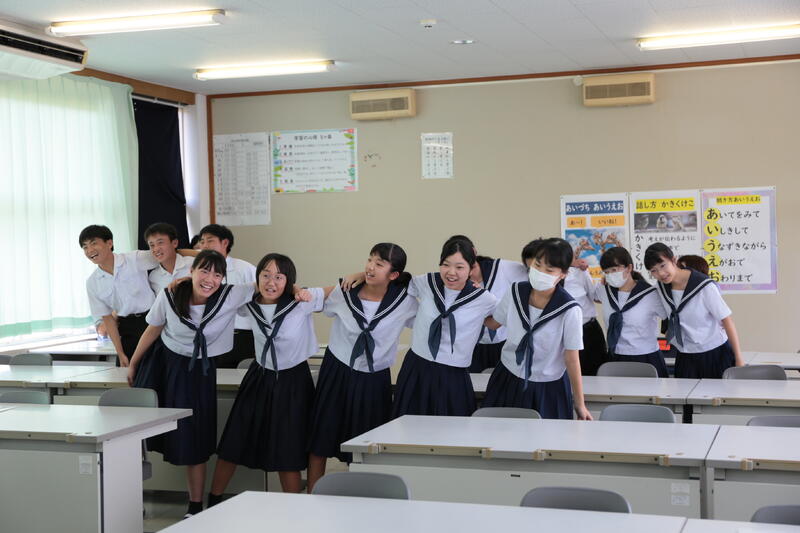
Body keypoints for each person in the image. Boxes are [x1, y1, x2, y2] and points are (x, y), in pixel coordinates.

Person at [127, 250, 255, 518]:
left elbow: (267, 284)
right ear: (191, 271)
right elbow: (153, 328)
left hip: (201, 371)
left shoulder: (230, 295)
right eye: (204, 271)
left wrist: (297, 289)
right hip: (167, 366)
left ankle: (195, 505)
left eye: (217, 274)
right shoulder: (170, 294)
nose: (210, 279)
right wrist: (133, 363)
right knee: (154, 431)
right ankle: (131, 500)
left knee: (196, 435)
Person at [210, 253, 323, 501]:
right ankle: (212, 500)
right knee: (234, 440)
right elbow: (217, 291)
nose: (271, 282)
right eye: (266, 275)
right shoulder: (249, 304)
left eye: (279, 277)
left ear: (289, 280)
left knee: (287, 447)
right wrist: (182, 282)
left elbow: (336, 291)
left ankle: (295, 509)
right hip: (260, 377)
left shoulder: (301, 302)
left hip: (293, 380)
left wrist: (297, 289)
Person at [306, 243, 417, 492]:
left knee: (366, 442)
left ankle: (360, 496)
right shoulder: (345, 291)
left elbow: (428, 315)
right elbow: (312, 297)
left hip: (374, 377)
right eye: (369, 260)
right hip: (337, 370)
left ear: (394, 274)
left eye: (379, 264)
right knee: (321, 435)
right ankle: (312, 496)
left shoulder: (405, 302)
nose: (370, 267)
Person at [482, 238, 591, 420]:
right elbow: (494, 323)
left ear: (563, 274)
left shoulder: (570, 310)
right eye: (538, 265)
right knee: (499, 431)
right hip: (508, 376)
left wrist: (580, 404)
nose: (540, 273)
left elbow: (572, 359)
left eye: (549, 270)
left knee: (545, 436)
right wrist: (473, 303)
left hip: (548, 386)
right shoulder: (515, 291)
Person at [392, 237, 497, 418]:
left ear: (471, 268)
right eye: (446, 265)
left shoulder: (483, 299)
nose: (451, 272)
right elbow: (392, 281)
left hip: (453, 374)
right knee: (408, 424)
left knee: (451, 427)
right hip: (417, 367)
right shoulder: (426, 282)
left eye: (459, 267)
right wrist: (361, 275)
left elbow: (500, 320)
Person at [644, 242, 744, 379]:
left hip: (715, 352)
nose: (660, 273)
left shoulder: (704, 286)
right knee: (684, 392)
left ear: (674, 260)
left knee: (717, 392)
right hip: (685, 355)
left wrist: (739, 358)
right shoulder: (660, 289)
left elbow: (727, 321)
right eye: (653, 271)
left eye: (663, 265)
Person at [445, 235, 527, 373]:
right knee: (470, 381)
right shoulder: (452, 280)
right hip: (471, 343)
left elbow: (534, 278)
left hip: (506, 341)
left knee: (504, 382)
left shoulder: (503, 268)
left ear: (474, 252)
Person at [80, 224, 159, 367]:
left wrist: (197, 255)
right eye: (85, 247)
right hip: (126, 329)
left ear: (109, 243)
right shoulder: (92, 282)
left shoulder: (134, 259)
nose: (90, 250)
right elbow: (108, 319)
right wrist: (120, 352)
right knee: (127, 373)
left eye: (94, 243)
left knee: (157, 371)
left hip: (152, 322)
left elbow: (167, 255)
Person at [597, 246, 669, 377]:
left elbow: (669, 318)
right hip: (615, 357)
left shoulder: (650, 294)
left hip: (646, 357)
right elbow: (587, 296)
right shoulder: (603, 291)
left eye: (614, 270)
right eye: (606, 272)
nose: (610, 275)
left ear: (629, 268)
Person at [198, 224, 256, 368]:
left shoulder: (244, 268)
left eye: (210, 240)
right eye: (202, 241)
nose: (204, 245)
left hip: (241, 336)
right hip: (210, 338)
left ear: (225, 243)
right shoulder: (198, 271)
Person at [564, 252, 607, 376]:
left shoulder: (579, 272)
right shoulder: (546, 279)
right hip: (564, 333)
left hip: (588, 330)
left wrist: (603, 283)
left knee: (595, 372)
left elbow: (595, 296)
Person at [145, 222, 195, 293]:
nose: (156, 249)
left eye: (160, 243)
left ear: (175, 243)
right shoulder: (153, 277)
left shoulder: (193, 263)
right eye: (152, 245)